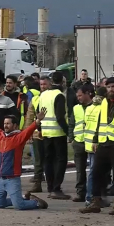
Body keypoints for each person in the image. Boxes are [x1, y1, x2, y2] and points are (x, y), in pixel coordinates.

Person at [80, 77, 114, 215]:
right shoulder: (104, 102)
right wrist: (95, 140)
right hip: (103, 143)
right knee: (97, 173)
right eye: (109, 87)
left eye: (113, 87)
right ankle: (95, 202)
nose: (111, 89)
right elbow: (100, 122)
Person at [0, 108, 48, 210]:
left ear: (15, 125)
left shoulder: (19, 137)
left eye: (8, 124)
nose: (5, 126)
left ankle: (36, 203)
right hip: (0, 179)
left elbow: (29, 130)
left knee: (19, 206)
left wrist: (37, 121)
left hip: (12, 179)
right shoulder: (1, 136)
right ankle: (24, 197)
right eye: (4, 123)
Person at [37, 71, 70, 200]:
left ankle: (50, 187)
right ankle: (56, 188)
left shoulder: (43, 95)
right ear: (63, 81)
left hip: (46, 132)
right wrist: (68, 132)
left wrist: (39, 129)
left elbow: (38, 113)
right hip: (58, 133)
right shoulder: (59, 95)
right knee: (61, 161)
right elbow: (60, 116)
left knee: (48, 161)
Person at [69, 84, 95, 202]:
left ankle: (94, 193)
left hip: (92, 142)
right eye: (77, 96)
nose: (78, 98)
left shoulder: (96, 107)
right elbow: (71, 123)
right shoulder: (76, 108)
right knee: (80, 170)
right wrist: (72, 138)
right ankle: (80, 193)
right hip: (79, 141)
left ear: (87, 94)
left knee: (94, 170)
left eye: (80, 95)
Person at [24, 77, 51, 191]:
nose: (43, 87)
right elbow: (29, 116)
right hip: (37, 134)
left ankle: (52, 185)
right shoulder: (35, 99)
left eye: (45, 84)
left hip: (51, 134)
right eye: (41, 84)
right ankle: (37, 183)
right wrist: (27, 133)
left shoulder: (54, 98)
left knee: (50, 160)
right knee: (38, 161)